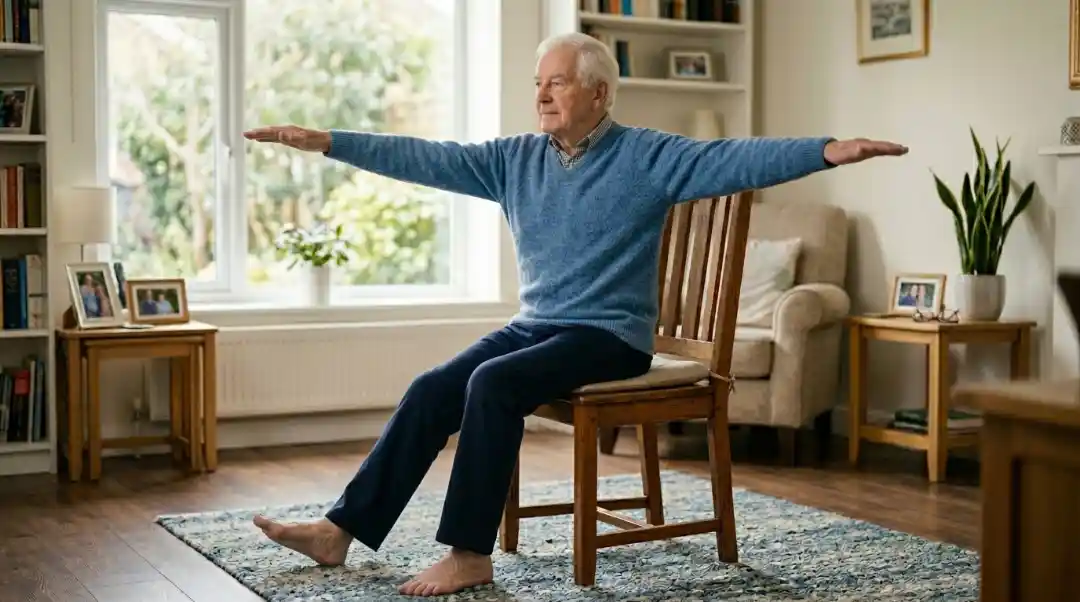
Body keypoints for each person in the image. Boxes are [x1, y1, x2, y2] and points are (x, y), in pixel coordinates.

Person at [243, 31, 907, 597]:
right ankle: (338, 532)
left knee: (492, 384)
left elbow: (732, 159)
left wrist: (825, 150)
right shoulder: (513, 160)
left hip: (610, 336)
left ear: (599, 95)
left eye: (557, 83)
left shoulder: (648, 156)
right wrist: (329, 142)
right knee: (432, 389)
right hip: (538, 324)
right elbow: (427, 157)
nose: (542, 94)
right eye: (539, 83)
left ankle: (469, 554)